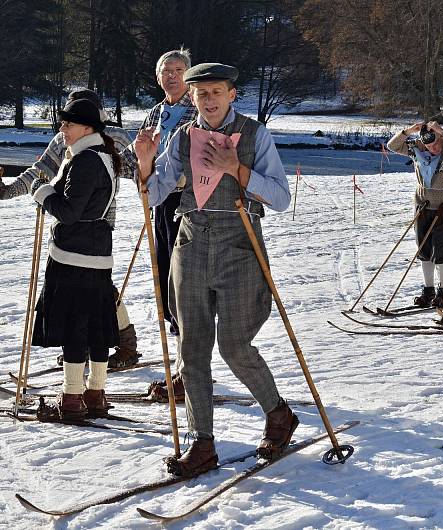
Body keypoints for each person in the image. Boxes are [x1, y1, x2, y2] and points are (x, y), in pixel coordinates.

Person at [134, 63, 295, 477]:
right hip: (190, 245)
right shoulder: (182, 136)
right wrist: (146, 162)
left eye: (216, 91)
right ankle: (202, 443)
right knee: (192, 349)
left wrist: (236, 169)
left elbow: (280, 198)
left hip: (239, 245)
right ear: (191, 98)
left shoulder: (256, 134)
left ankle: (278, 414)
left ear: (232, 93)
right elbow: (153, 195)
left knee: (234, 346)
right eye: (201, 94)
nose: (208, 99)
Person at [0, 89, 140, 369]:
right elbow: (41, 170)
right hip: (69, 221)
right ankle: (83, 346)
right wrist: (7, 191)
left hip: (100, 222)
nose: (66, 123)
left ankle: (123, 343)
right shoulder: (64, 137)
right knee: (80, 292)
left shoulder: (116, 138)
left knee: (100, 289)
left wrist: (153, 181)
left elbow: (137, 169)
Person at [123, 49, 197, 401]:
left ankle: (188, 371)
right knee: (165, 277)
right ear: (158, 77)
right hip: (159, 200)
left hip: (188, 201)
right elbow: (135, 154)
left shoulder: (198, 109)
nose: (171, 76)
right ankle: (183, 368)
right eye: (166, 71)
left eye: (178, 70)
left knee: (184, 283)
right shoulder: (155, 112)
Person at [387, 121, 443, 308]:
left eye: (436, 143)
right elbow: (392, 146)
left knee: (441, 248)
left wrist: (442, 132)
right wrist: (408, 131)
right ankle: (428, 289)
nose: (433, 149)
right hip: (423, 205)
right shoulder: (416, 149)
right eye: (429, 146)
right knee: (423, 249)